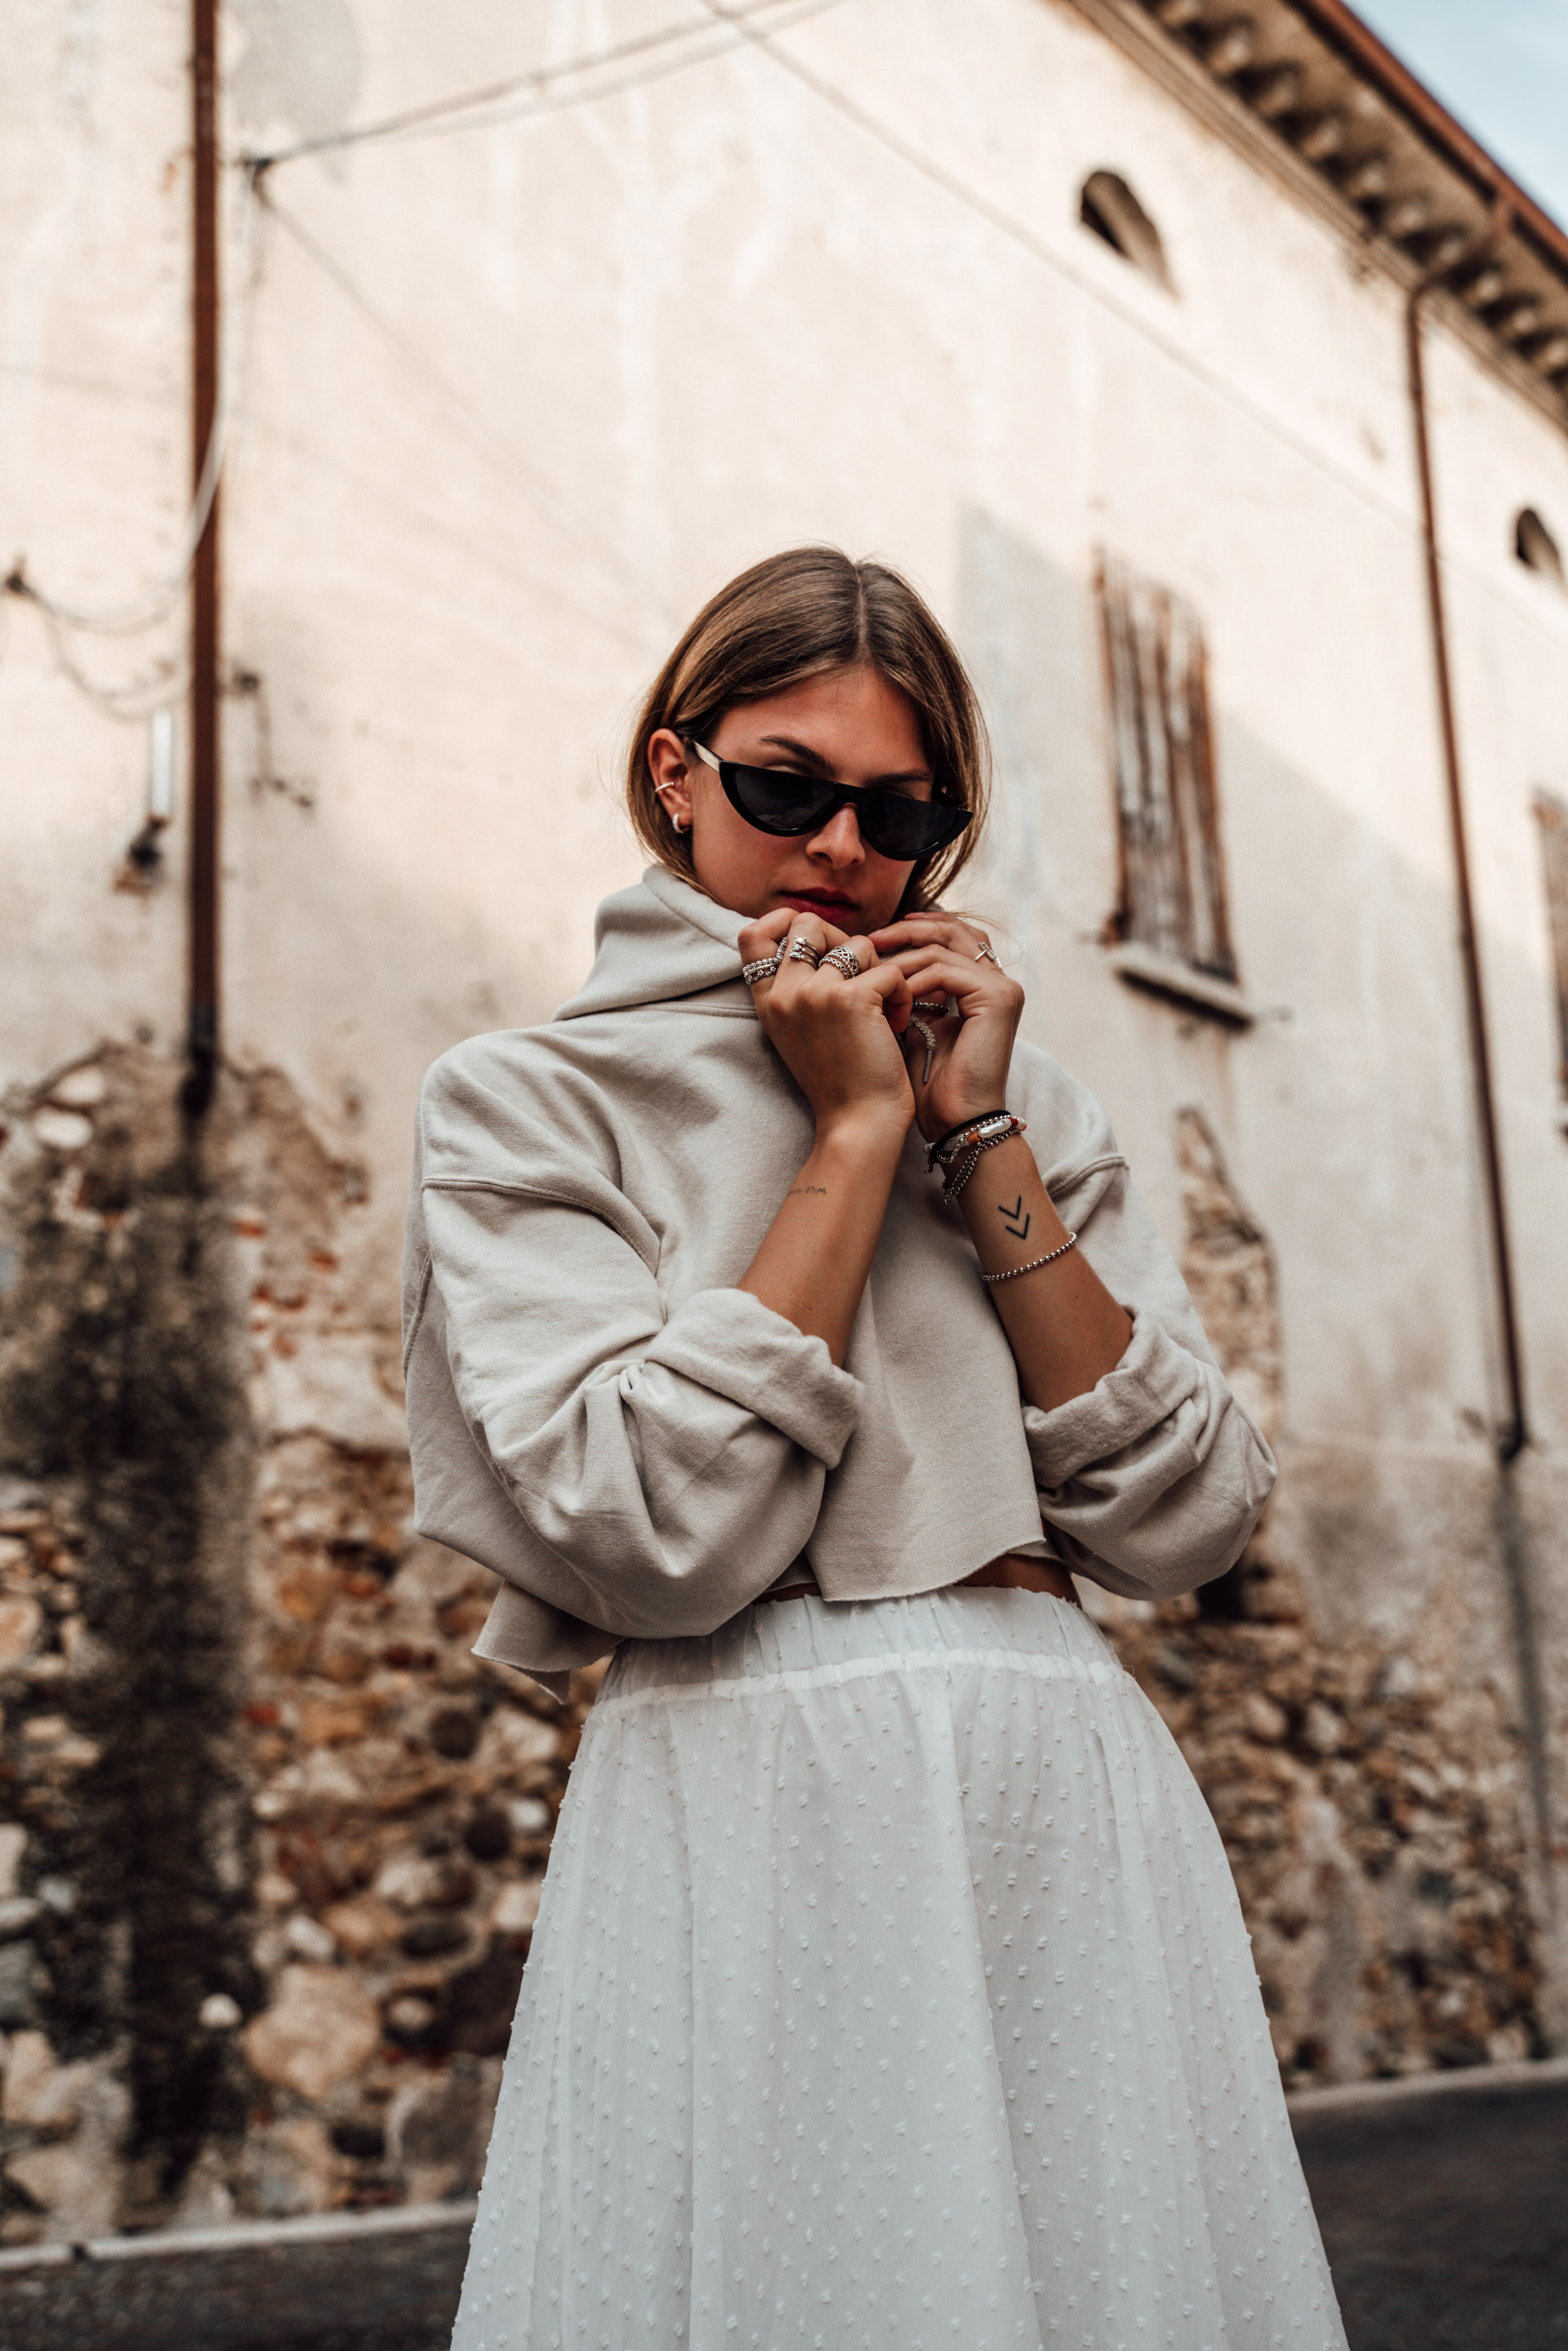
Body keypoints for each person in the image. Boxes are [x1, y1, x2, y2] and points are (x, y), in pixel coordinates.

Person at [407, 546, 1348, 2349]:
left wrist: (969, 1124)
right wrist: (849, 1135)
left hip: (1055, 1767)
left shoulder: (1018, 1092)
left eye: (903, 812)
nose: (843, 850)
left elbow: (1192, 1516)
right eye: (786, 789)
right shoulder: (525, 1098)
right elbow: (647, 1535)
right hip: (756, 1774)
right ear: (673, 775)